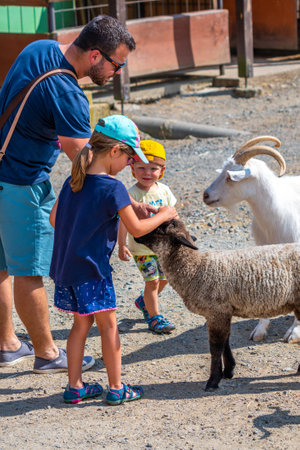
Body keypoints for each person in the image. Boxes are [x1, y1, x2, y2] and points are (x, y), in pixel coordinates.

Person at [0, 15, 155, 373]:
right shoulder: (69, 94)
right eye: (117, 64)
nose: (117, 72)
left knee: (3, 265)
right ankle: (47, 354)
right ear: (96, 56)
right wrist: (125, 200)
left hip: (2, 170)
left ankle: (8, 343)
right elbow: (88, 163)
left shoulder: (38, 49)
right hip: (21, 181)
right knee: (29, 269)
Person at [49, 115, 177, 404]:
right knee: (108, 326)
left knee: (80, 325)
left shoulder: (74, 179)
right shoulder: (114, 187)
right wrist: (164, 214)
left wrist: (121, 208)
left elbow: (54, 218)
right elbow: (137, 229)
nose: (130, 164)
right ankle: (117, 388)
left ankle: (75, 387)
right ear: (116, 152)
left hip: (67, 267)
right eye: (130, 157)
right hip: (93, 270)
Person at [118, 140, 177, 334]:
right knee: (151, 282)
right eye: (141, 168)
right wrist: (121, 245)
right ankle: (155, 317)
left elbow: (173, 213)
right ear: (132, 169)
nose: (147, 173)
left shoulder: (165, 191)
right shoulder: (131, 195)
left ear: (162, 170)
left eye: (153, 168)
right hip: (142, 249)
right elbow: (123, 221)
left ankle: (144, 302)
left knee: (166, 278)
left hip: (163, 247)